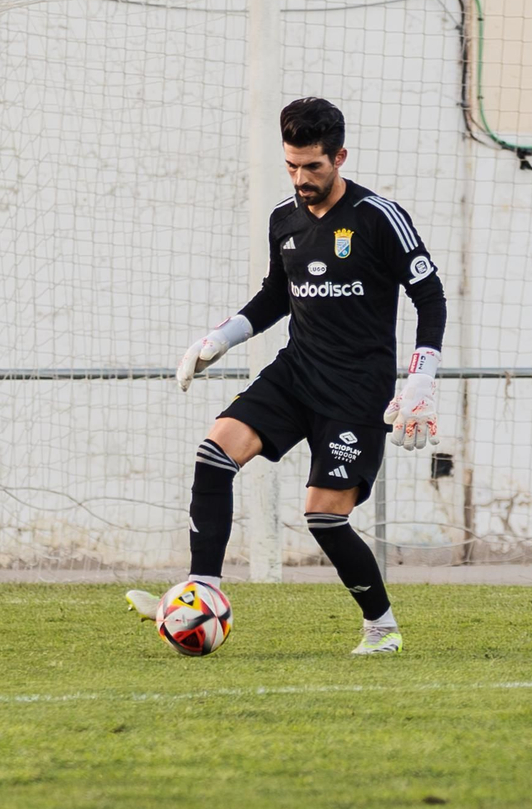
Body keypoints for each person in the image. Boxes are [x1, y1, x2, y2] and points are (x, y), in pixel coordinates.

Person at [127, 97, 447, 655]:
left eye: (313, 167)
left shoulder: (379, 218)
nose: (302, 178)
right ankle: (203, 590)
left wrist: (421, 379)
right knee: (213, 454)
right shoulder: (284, 219)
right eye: (292, 166)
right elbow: (278, 293)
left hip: (357, 390)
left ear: (340, 156)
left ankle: (382, 628)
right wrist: (219, 339)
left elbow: (431, 296)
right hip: (296, 372)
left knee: (324, 517)